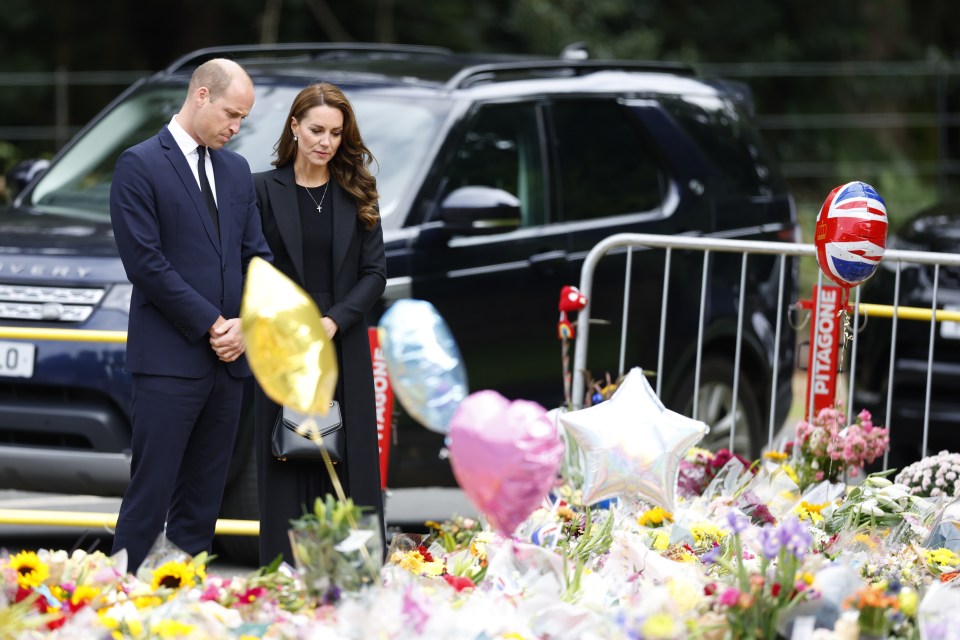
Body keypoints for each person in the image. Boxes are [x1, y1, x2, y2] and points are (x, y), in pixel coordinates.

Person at [109, 58, 273, 572]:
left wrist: (246, 323)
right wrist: (213, 324)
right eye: (231, 113)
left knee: (203, 502)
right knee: (150, 492)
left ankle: (185, 607)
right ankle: (118, 600)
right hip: (168, 361)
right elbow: (146, 264)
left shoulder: (237, 169)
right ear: (201, 95)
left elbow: (257, 256)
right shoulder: (139, 164)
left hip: (230, 363)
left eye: (243, 118)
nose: (235, 127)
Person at [252, 82, 386, 566]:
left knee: (347, 455)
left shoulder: (358, 189)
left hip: (342, 340)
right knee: (287, 452)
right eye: (315, 130)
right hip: (284, 341)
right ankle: (285, 575)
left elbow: (375, 274)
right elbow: (253, 266)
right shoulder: (261, 189)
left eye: (335, 132)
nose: (325, 141)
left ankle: (355, 576)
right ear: (294, 127)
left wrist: (332, 321)